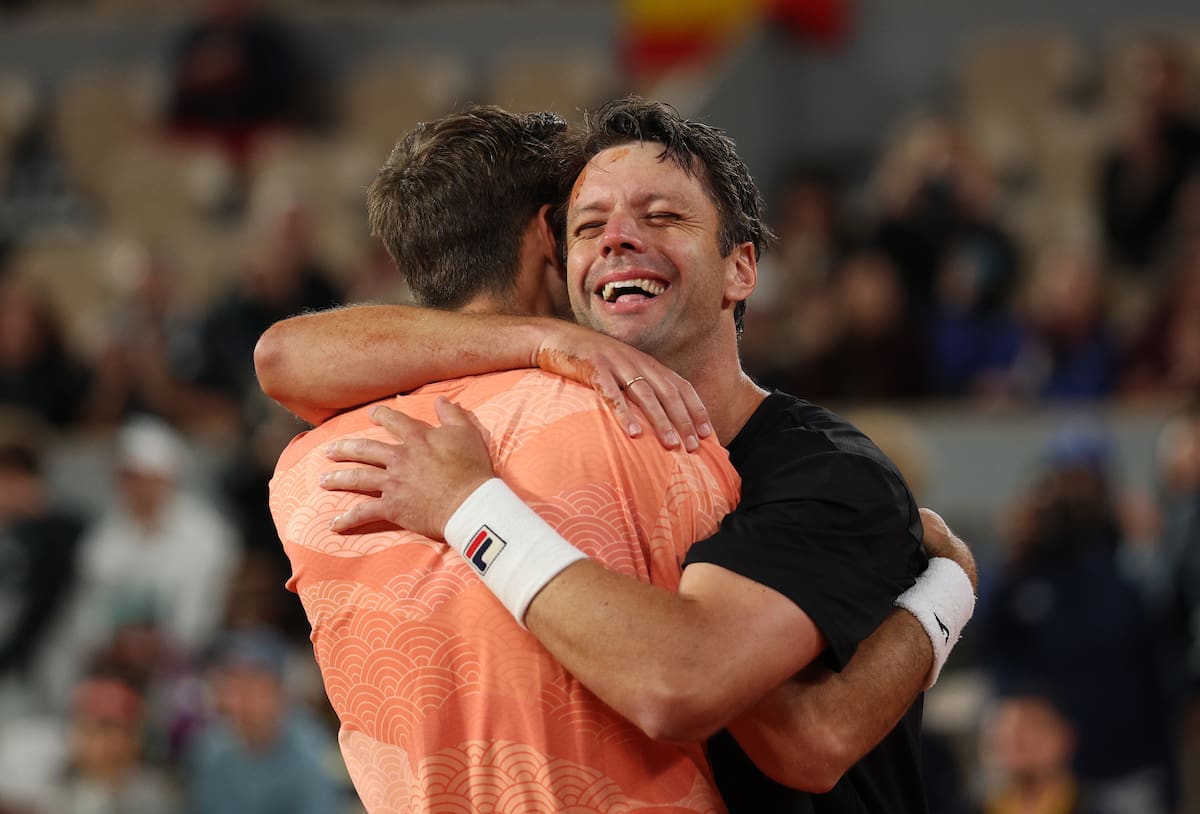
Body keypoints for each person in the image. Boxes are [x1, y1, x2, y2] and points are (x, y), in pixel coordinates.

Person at [257, 99, 977, 811]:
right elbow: (284, 354)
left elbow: (797, 736)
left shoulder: (827, 470)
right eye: (588, 225)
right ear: (557, 258)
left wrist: (469, 508)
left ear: (740, 269)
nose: (618, 238)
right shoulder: (576, 434)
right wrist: (544, 339)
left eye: (661, 216)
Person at [269, 106, 740, 812]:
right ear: (550, 234)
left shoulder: (306, 470)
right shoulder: (642, 419)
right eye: (585, 225)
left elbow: (279, 355)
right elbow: (746, 691)